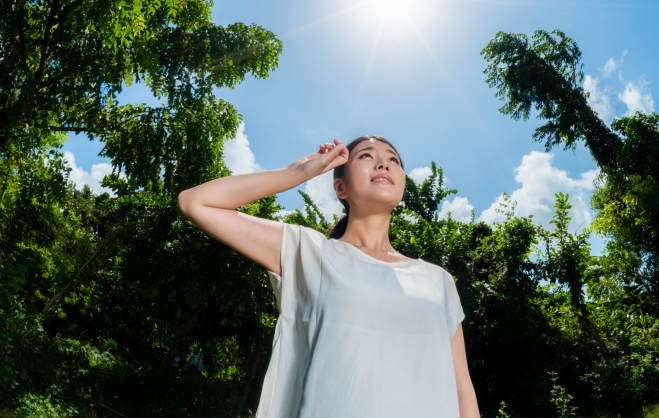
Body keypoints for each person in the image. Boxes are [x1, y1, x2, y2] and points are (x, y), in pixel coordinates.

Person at [178, 135, 480, 418]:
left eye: (394, 160)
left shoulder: (438, 281)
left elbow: (461, 389)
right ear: (340, 187)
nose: (384, 163)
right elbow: (195, 202)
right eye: (366, 155)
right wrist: (295, 173)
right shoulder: (308, 253)